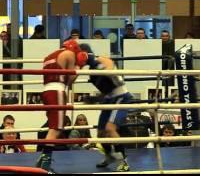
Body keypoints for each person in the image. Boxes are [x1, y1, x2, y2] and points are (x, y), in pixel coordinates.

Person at [35, 39, 89, 172]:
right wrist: (79, 66)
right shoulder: (69, 54)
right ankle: (45, 164)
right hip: (57, 91)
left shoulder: (50, 55)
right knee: (56, 128)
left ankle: (42, 159)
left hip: (46, 91)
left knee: (53, 127)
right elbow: (70, 80)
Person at [79, 43, 132, 172]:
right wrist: (95, 99)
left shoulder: (101, 60)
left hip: (121, 97)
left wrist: (102, 69)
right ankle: (109, 156)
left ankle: (124, 161)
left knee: (110, 128)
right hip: (109, 99)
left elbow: (116, 79)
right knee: (101, 132)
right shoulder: (91, 72)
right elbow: (107, 90)